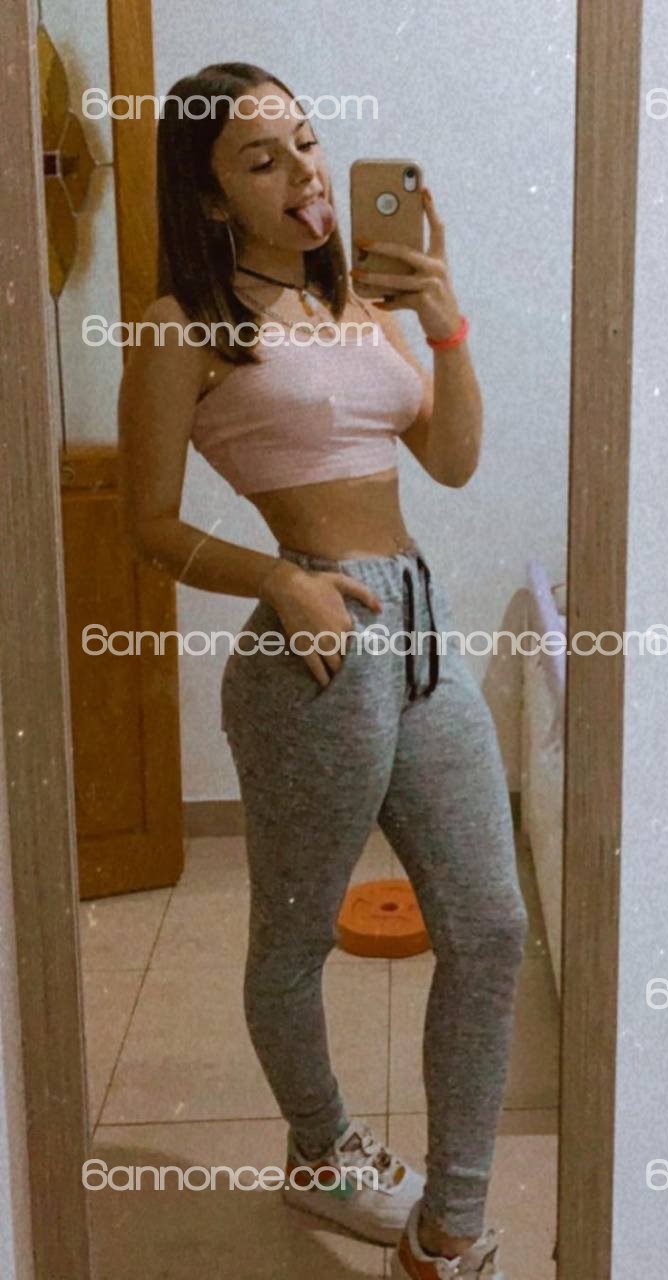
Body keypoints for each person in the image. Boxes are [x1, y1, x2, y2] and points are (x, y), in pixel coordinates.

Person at [118, 60, 527, 1280]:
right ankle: (318, 1147)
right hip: (314, 646)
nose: (303, 171)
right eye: (262, 158)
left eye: (304, 141)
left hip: (421, 631)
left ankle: (447, 1227)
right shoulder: (182, 325)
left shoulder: (358, 298)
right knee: (297, 937)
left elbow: (450, 459)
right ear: (210, 198)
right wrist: (281, 579)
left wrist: (444, 315)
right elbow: (146, 523)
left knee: (491, 925)